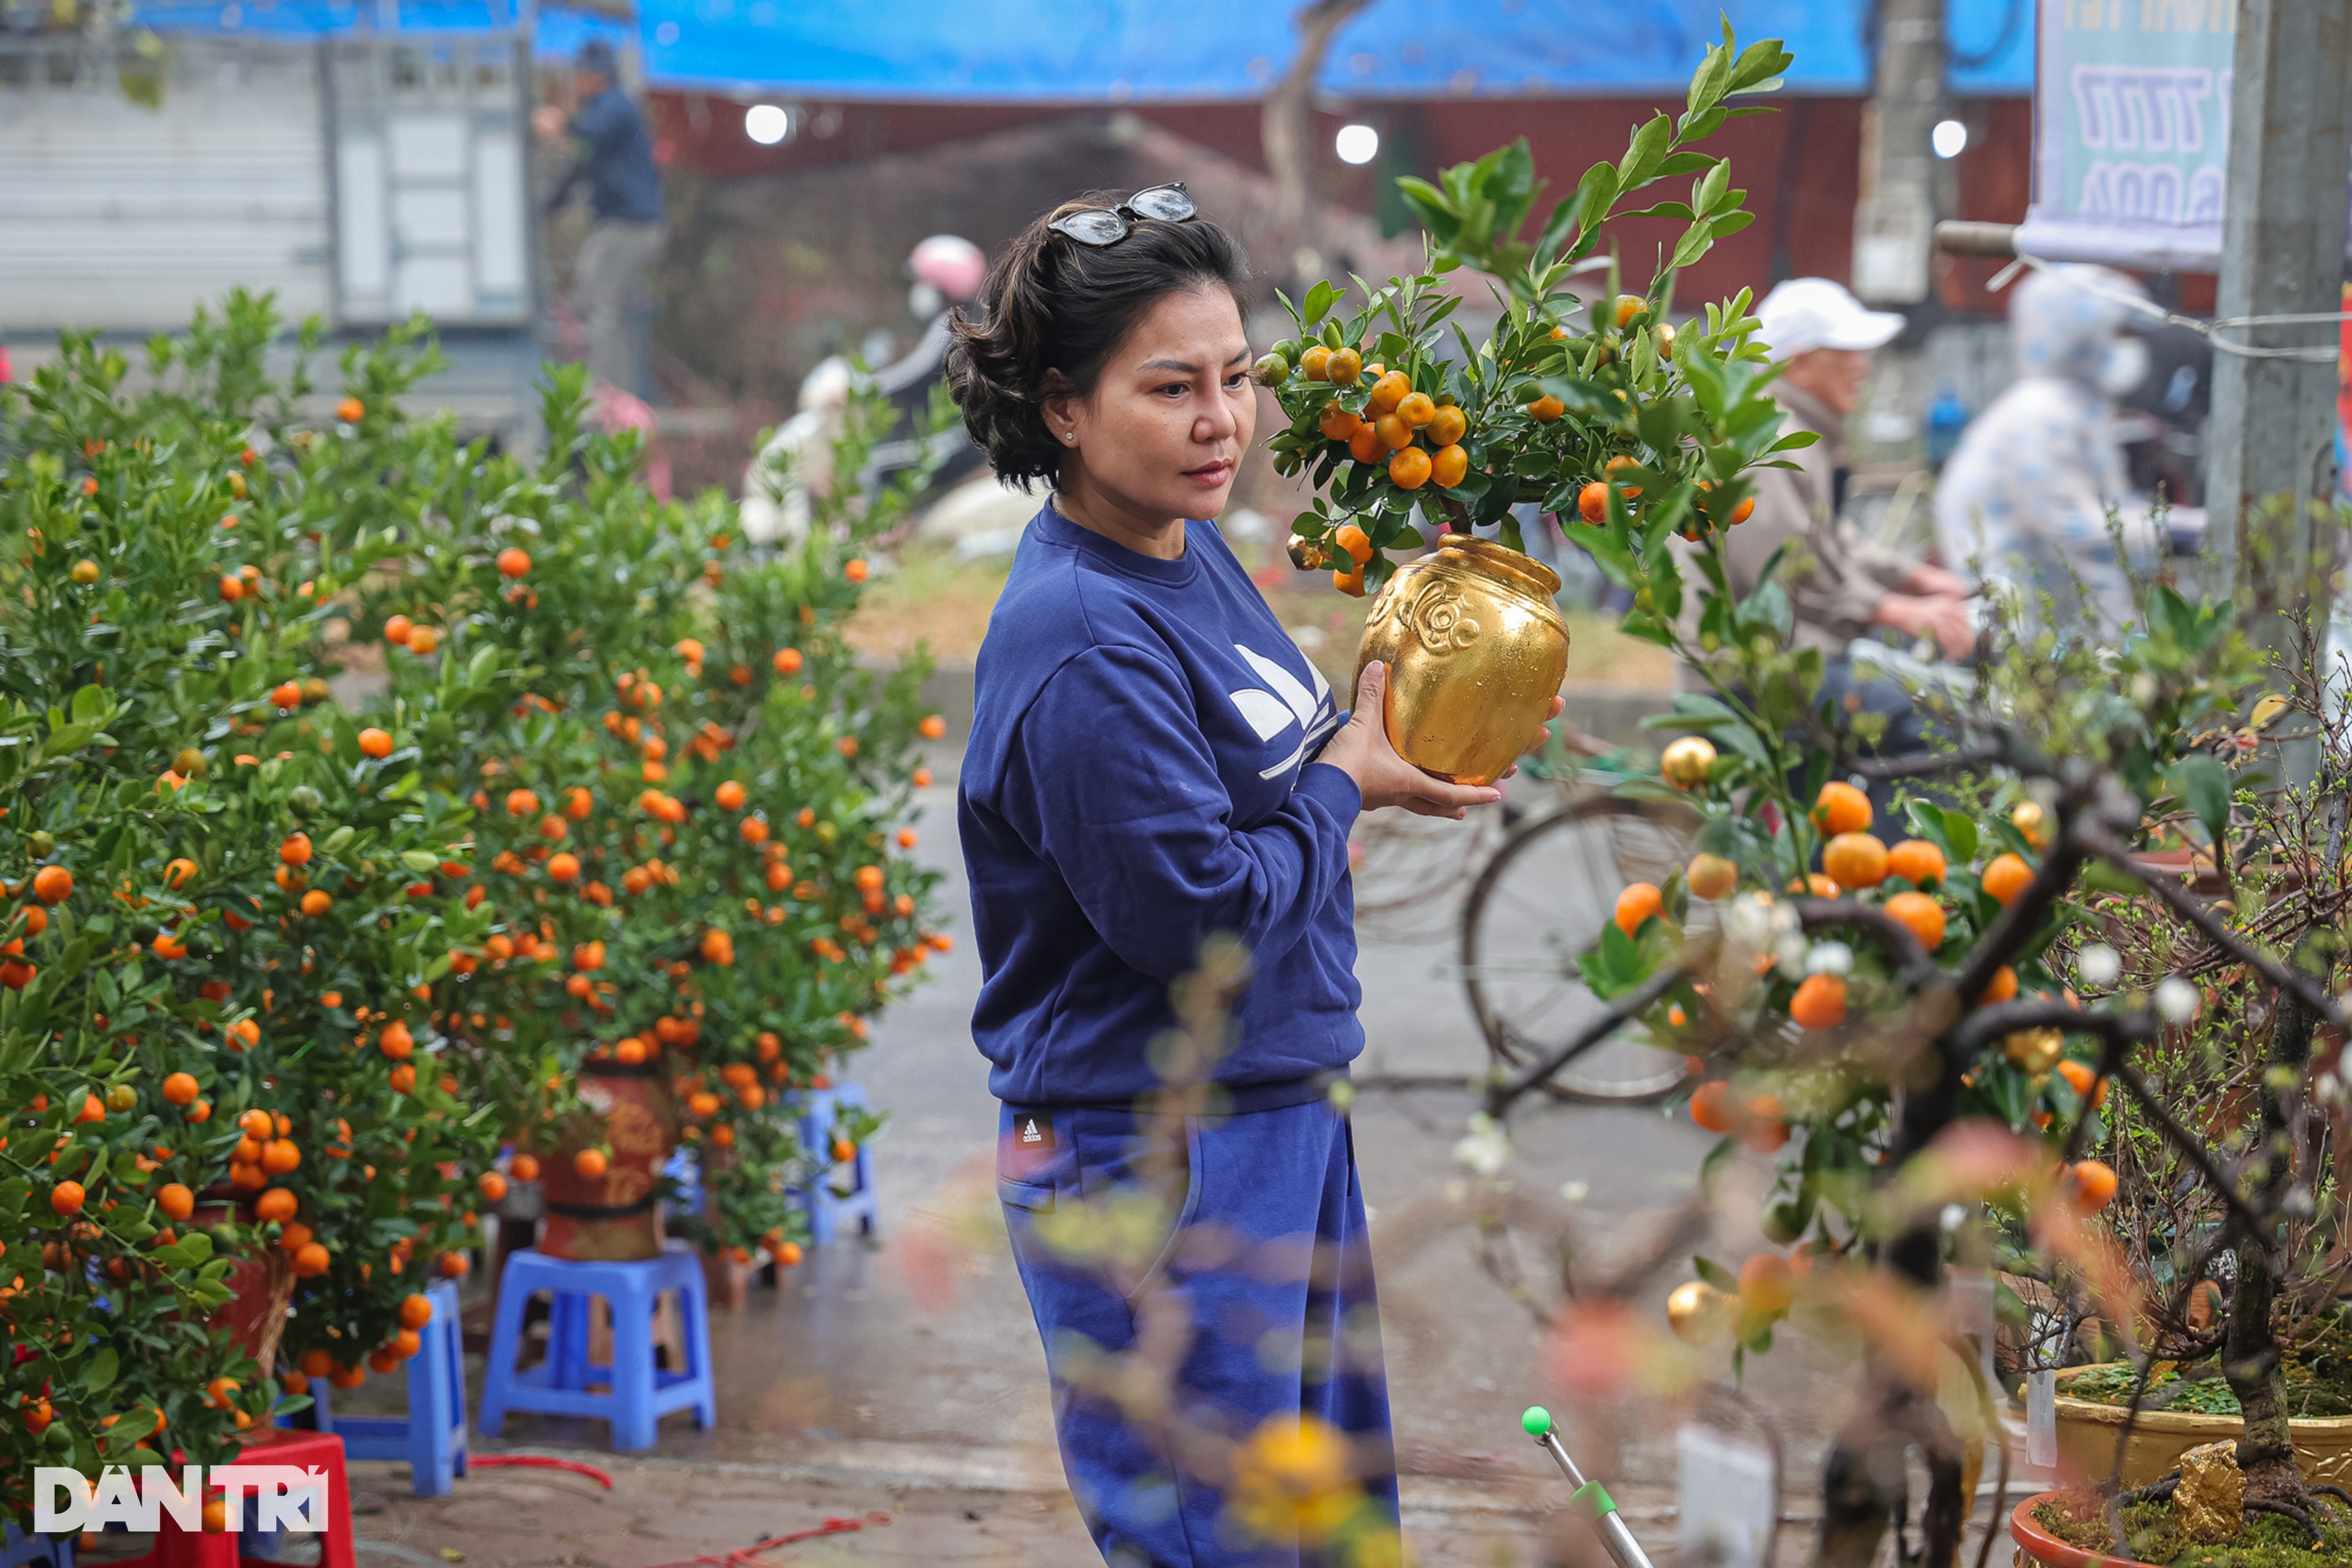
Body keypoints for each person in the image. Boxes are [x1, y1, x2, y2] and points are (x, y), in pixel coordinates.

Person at [946, 187, 1551, 1566]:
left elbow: (1278, 765)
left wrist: (1430, 715)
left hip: (1269, 1120)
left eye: (1238, 377)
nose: (1223, 419)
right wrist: (1350, 783)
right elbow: (1200, 919)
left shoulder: (1185, 553)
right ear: (1062, 410)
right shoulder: (1085, 639)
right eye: (1171, 387)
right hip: (1152, 1153)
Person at [1935, 265, 2198, 627]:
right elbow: (2073, 524)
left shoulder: (2080, 407)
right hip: (2017, 621)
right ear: (2080, 337)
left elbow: (2110, 507)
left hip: (2052, 611)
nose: (2127, 345)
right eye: (2117, 332)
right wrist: (2183, 531)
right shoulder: (2040, 413)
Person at [535, 40, 665, 396]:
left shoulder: (616, 107)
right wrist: (549, 206)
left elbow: (590, 132)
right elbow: (581, 167)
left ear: (597, 76)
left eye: (581, 74)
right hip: (620, 225)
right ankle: (608, 385)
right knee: (594, 303)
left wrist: (561, 121)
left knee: (598, 302)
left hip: (631, 226)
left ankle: (603, 391)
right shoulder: (600, 115)